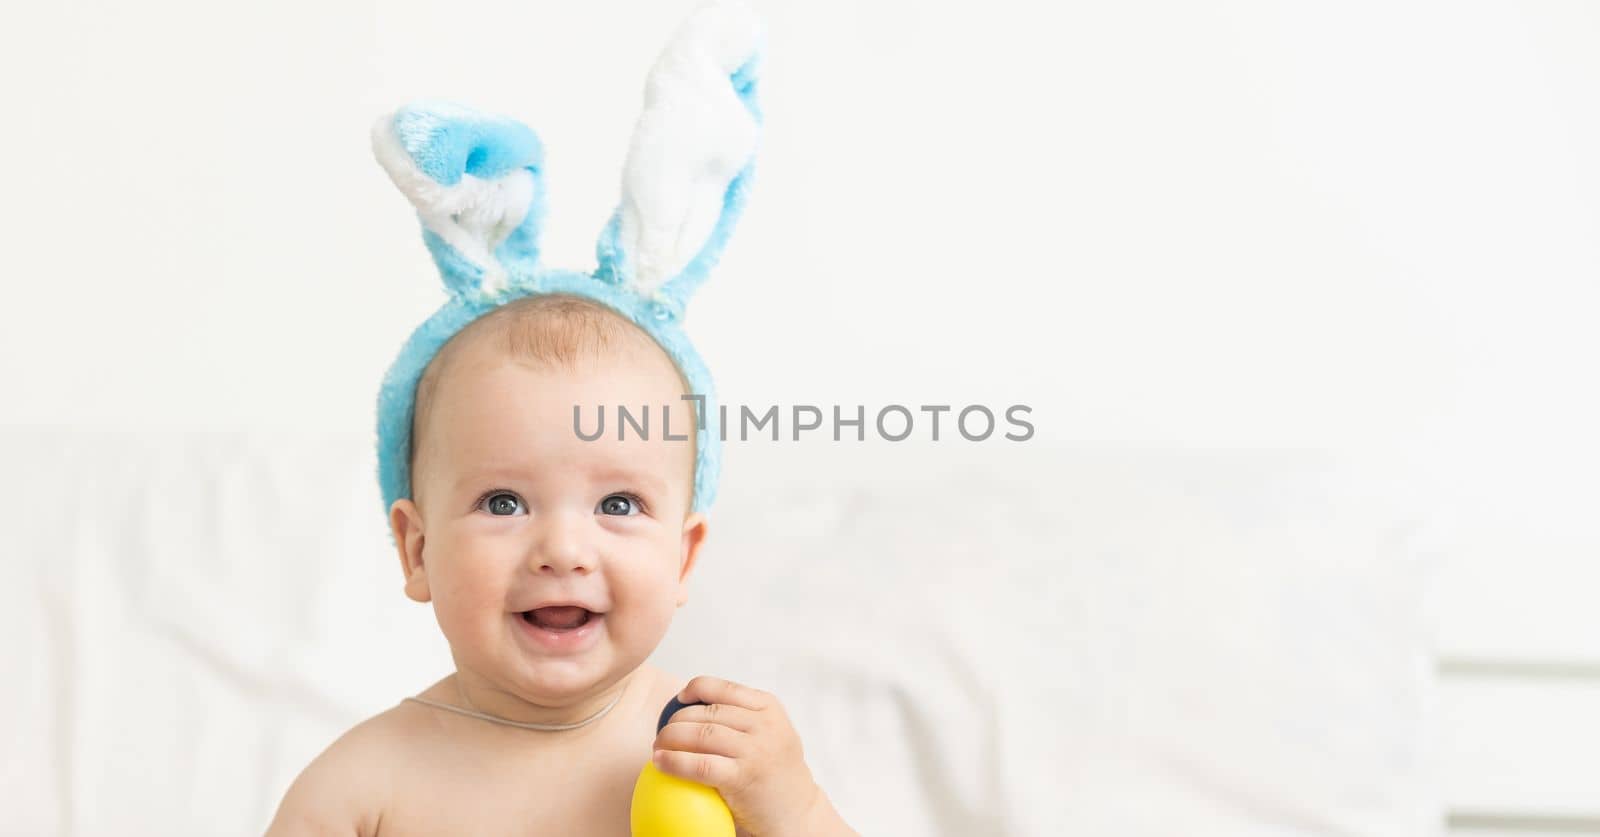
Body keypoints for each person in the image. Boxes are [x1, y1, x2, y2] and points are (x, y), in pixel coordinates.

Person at [266, 3, 855, 834]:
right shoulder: (362, 788)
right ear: (417, 546)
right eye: (503, 502)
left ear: (684, 556)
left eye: (619, 504)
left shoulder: (713, 763)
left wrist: (792, 803)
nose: (563, 551)